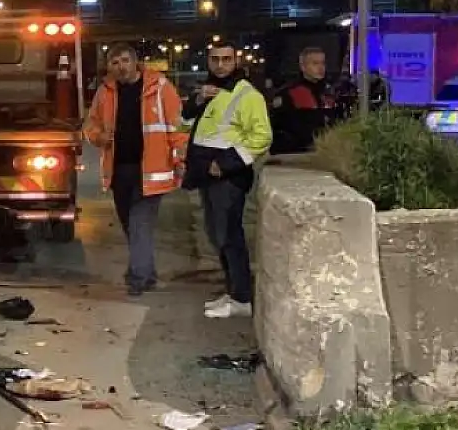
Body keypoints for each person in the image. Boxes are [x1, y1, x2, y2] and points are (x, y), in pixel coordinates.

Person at [83, 44, 188, 296]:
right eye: (115, 62)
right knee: (129, 225)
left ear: (135, 62)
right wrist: (99, 138)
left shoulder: (160, 87)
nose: (121, 67)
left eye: (125, 61)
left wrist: (180, 160)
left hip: (152, 171)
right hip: (120, 171)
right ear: (109, 66)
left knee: (140, 224)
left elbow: (178, 127)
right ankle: (146, 272)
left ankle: (138, 278)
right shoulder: (104, 92)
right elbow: (90, 126)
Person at [184, 43, 273, 319]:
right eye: (215, 59)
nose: (220, 64)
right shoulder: (208, 91)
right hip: (207, 174)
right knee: (217, 236)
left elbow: (262, 137)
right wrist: (198, 102)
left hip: (227, 177)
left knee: (229, 237)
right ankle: (232, 291)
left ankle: (241, 298)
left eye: (226, 59)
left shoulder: (247, 94)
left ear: (236, 61)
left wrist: (225, 164)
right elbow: (186, 122)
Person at [269, 47, 336, 154]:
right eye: (315, 63)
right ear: (303, 67)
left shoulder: (328, 93)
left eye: (322, 63)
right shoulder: (289, 93)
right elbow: (276, 126)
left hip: (324, 153)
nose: (320, 68)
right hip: (296, 156)